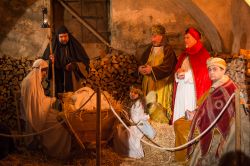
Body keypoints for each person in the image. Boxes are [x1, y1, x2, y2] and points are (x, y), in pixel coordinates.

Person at [187, 57, 250, 165]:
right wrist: (198, 111)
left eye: (215, 69)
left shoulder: (225, 87)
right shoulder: (221, 83)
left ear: (223, 70)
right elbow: (211, 106)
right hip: (228, 122)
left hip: (232, 129)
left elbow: (213, 112)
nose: (211, 72)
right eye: (209, 69)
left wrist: (196, 116)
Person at [172, 27, 212, 161]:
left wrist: (187, 76)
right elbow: (178, 70)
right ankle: (177, 142)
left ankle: (189, 147)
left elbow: (205, 74)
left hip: (192, 91)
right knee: (179, 114)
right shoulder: (185, 54)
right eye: (184, 37)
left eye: (187, 37)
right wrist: (178, 75)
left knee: (189, 116)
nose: (185, 40)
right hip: (182, 89)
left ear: (195, 38)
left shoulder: (203, 54)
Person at [21, 59, 71, 159]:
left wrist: (49, 100)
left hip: (39, 111)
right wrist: (52, 100)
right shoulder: (31, 83)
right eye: (44, 71)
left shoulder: (33, 80)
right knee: (61, 125)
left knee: (60, 116)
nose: (45, 74)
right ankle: (56, 152)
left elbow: (39, 101)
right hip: (36, 116)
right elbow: (37, 106)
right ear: (39, 70)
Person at [137, 24, 177, 123]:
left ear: (162, 36)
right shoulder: (150, 48)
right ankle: (148, 122)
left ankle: (160, 124)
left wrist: (153, 70)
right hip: (148, 83)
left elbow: (168, 67)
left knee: (158, 104)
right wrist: (140, 68)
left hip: (161, 85)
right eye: (152, 36)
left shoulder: (168, 50)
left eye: (155, 36)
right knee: (148, 104)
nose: (152, 39)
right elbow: (142, 61)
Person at [42, 26, 90, 96]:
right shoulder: (52, 46)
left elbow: (85, 61)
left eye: (65, 36)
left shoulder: (75, 45)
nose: (64, 39)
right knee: (57, 98)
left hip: (71, 79)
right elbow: (44, 63)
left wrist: (75, 65)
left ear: (68, 35)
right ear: (57, 37)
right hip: (57, 78)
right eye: (61, 37)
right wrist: (50, 61)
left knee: (72, 98)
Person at [113, 85, 156, 158]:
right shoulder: (136, 102)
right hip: (137, 123)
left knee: (121, 133)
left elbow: (135, 119)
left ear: (139, 95)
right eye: (131, 92)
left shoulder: (138, 104)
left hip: (137, 126)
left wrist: (129, 120)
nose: (132, 94)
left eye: (135, 93)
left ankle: (134, 153)